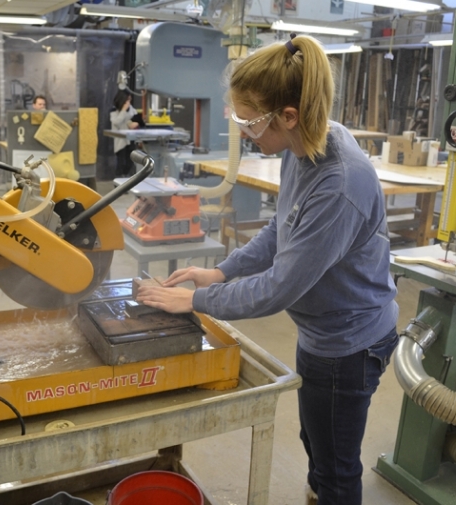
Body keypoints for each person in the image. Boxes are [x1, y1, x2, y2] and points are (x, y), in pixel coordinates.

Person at [136, 35, 399, 505]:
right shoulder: (303, 149)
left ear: (288, 116)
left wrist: (195, 300)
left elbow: (277, 288)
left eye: (247, 121)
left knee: (336, 467)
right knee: (316, 443)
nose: (241, 131)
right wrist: (220, 273)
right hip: (321, 332)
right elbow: (281, 230)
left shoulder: (339, 183)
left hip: (350, 344)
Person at [110, 90, 141, 177]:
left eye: (130, 100)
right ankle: (118, 183)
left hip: (130, 140)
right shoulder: (114, 111)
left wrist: (136, 123)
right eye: (127, 100)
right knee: (121, 163)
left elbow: (135, 118)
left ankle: (126, 180)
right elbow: (116, 122)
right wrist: (123, 110)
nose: (129, 102)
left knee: (130, 162)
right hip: (120, 141)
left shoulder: (132, 109)